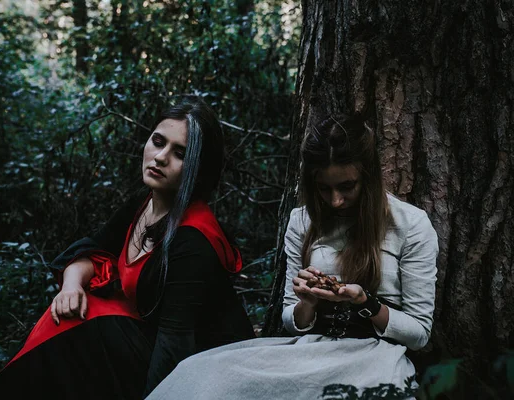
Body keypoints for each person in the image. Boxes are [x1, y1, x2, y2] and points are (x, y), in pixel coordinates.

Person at [146, 114, 439, 399]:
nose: (335, 200)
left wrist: (365, 302)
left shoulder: (409, 225)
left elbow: (419, 333)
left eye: (347, 186)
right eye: (324, 188)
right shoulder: (303, 221)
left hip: (375, 359)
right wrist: (307, 302)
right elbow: (291, 317)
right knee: (199, 373)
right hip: (309, 353)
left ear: (368, 177)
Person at [0, 98, 255, 400]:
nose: (160, 157)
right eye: (158, 142)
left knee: (93, 322)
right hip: (148, 342)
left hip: (205, 368)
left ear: (199, 170)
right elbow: (91, 249)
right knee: (75, 309)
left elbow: (175, 344)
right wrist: (70, 286)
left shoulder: (192, 239)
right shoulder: (144, 202)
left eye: (180, 154)